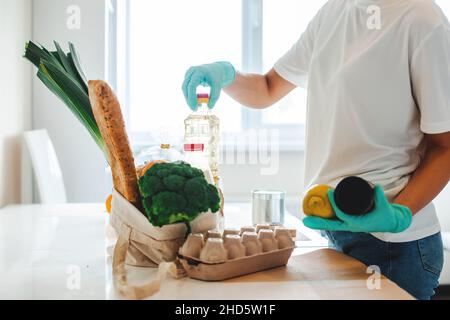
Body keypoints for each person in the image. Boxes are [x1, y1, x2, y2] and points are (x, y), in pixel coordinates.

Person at [182, 0, 450, 300]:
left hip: (394, 246)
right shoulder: (334, 12)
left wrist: (400, 214)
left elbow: (445, 148)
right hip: (334, 228)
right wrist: (227, 75)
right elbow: (268, 88)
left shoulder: (422, 20)